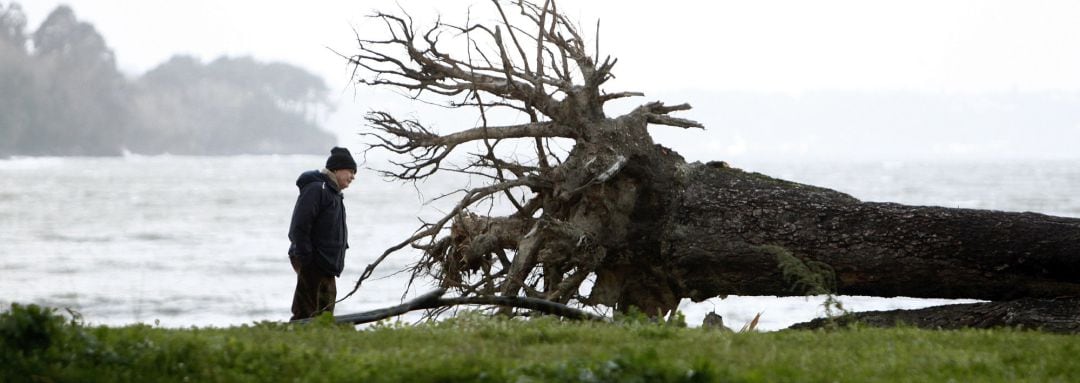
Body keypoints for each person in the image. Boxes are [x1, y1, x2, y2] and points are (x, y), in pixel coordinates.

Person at [288, 147, 357, 320]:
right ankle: (295, 341)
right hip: (313, 261)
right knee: (305, 312)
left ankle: (319, 342)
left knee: (325, 313)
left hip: (327, 264)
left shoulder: (334, 194)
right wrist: (306, 256)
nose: (353, 177)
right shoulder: (317, 189)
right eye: (350, 171)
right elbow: (299, 225)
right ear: (336, 169)